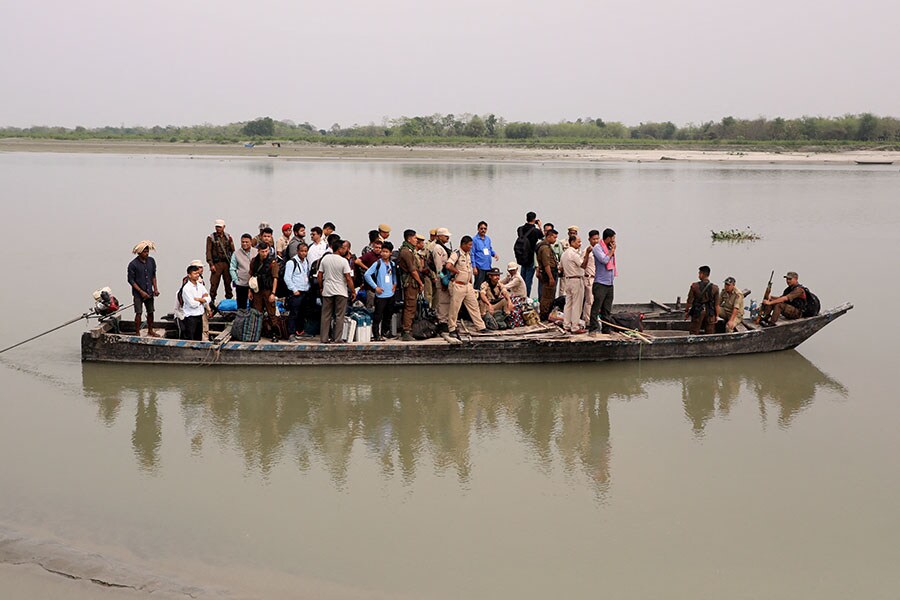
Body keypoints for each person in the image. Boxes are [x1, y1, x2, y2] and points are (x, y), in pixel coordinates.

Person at [445, 235, 488, 336]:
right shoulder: (457, 254)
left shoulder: (468, 255)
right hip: (458, 285)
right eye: (469, 245)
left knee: (474, 306)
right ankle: (452, 328)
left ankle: (480, 326)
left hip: (467, 285)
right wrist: (456, 272)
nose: (471, 247)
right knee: (454, 308)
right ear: (463, 244)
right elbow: (448, 265)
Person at [317, 238, 354, 343]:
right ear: (340, 249)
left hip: (327, 290)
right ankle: (337, 338)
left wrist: (321, 287)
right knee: (339, 316)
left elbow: (320, 275)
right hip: (341, 291)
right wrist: (353, 291)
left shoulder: (325, 259)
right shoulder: (344, 261)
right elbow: (348, 278)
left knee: (325, 315)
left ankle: (324, 338)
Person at [364, 241, 398, 341]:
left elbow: (394, 275)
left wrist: (395, 284)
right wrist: (375, 287)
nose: (384, 254)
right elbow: (367, 275)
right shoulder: (378, 263)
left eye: (386, 252)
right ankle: (376, 334)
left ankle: (385, 332)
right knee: (378, 315)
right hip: (381, 294)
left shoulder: (392, 264)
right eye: (382, 251)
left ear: (390, 253)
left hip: (390, 293)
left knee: (388, 314)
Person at [127, 241, 160, 337]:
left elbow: (153, 276)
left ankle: (150, 330)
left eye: (147, 252)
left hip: (149, 291)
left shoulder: (151, 261)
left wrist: (156, 289)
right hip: (138, 293)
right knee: (138, 312)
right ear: (139, 253)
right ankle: (137, 332)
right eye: (144, 252)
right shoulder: (133, 264)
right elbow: (131, 280)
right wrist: (141, 292)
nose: (146, 253)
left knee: (150, 311)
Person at [397, 229, 425, 342]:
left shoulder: (410, 251)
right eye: (414, 238)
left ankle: (408, 329)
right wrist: (420, 282)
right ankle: (406, 331)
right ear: (409, 238)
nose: (416, 240)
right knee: (410, 307)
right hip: (410, 283)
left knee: (412, 307)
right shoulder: (406, 252)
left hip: (412, 282)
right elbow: (413, 270)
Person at [588, 228, 617, 334]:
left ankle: (606, 328)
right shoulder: (597, 248)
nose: (614, 240)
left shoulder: (609, 248)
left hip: (609, 282)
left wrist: (611, 250)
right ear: (608, 238)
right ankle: (593, 328)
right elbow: (604, 260)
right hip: (600, 283)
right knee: (597, 306)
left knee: (607, 308)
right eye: (613, 238)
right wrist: (612, 251)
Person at [560, 235, 591, 333]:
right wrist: (587, 254)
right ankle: (575, 326)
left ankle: (566, 324)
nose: (580, 244)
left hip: (568, 279)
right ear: (572, 242)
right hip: (576, 279)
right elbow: (583, 265)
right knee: (577, 304)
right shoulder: (573, 254)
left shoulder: (564, 254)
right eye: (578, 242)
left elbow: (560, 268)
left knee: (568, 303)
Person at [249, 242, 280, 338]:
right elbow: (251, 275)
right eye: (263, 251)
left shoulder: (272, 262)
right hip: (257, 290)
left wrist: (273, 293)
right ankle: (259, 332)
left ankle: (275, 333)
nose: (265, 253)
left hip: (268, 290)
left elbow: (275, 278)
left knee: (272, 313)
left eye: (266, 251)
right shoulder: (254, 261)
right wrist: (249, 291)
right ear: (258, 251)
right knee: (257, 312)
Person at [204, 219, 234, 307]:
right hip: (216, 263)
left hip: (226, 263)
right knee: (214, 284)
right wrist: (211, 264)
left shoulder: (228, 237)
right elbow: (208, 252)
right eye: (217, 227)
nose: (218, 228)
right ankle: (211, 302)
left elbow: (233, 251)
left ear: (224, 227)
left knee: (228, 283)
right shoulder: (211, 238)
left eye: (220, 227)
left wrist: (233, 264)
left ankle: (229, 301)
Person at [284, 242, 311, 341]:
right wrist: (294, 289)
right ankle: (291, 333)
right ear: (297, 251)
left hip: (304, 291)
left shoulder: (306, 262)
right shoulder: (292, 262)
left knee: (302, 313)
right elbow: (287, 278)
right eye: (302, 251)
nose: (304, 253)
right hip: (296, 292)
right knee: (294, 313)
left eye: (305, 251)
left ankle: (300, 331)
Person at [178, 265, 211, 341]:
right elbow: (192, 304)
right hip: (190, 317)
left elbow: (208, 298)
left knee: (198, 338)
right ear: (189, 275)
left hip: (199, 315)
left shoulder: (200, 286)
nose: (197, 275)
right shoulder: (186, 288)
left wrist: (200, 299)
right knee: (191, 338)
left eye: (198, 273)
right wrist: (203, 300)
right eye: (195, 273)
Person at [515, 212, 543, 297]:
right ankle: (526, 297)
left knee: (522, 279)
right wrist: (539, 226)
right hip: (531, 257)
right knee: (528, 280)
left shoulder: (520, 229)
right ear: (534, 219)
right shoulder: (535, 231)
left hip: (522, 256)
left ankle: (521, 297)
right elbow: (543, 237)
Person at [685, 265, 720, 335]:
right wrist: (717, 315)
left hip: (698, 311)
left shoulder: (694, 286)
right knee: (710, 333)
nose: (698, 275)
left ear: (702, 274)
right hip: (710, 312)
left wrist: (687, 312)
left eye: (699, 273)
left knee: (694, 332)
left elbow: (689, 301)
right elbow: (716, 304)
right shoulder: (715, 288)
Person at [431, 228, 453, 331]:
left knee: (447, 301)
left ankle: (446, 320)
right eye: (445, 236)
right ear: (439, 236)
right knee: (442, 301)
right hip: (442, 277)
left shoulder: (444, 247)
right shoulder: (437, 248)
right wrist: (442, 278)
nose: (447, 237)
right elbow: (438, 266)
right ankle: (442, 321)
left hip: (447, 277)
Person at [535, 229, 559, 321]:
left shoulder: (546, 246)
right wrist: (551, 277)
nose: (555, 239)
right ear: (548, 236)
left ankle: (546, 314)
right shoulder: (545, 248)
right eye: (554, 237)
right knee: (547, 296)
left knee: (549, 295)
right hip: (549, 273)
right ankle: (544, 315)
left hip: (550, 272)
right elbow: (546, 264)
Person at [229, 233, 257, 310]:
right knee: (241, 307)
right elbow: (232, 268)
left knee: (254, 307)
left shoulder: (256, 252)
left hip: (254, 284)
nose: (244, 244)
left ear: (251, 242)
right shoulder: (236, 253)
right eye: (243, 242)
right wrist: (236, 280)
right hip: (241, 284)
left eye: (246, 242)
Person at [471, 220, 499, 290]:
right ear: (478, 229)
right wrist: (474, 267)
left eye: (485, 229)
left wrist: (494, 254)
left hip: (488, 266)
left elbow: (489, 249)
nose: (483, 230)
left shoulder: (488, 239)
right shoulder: (474, 240)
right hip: (479, 266)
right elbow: (472, 253)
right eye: (481, 228)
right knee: (478, 285)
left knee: (487, 285)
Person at [582, 230, 599, 327]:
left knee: (596, 300)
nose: (596, 241)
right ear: (589, 239)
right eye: (594, 239)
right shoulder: (586, 251)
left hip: (597, 279)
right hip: (589, 278)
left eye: (597, 239)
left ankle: (594, 318)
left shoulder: (599, 250)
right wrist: (588, 254)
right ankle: (587, 320)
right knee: (589, 300)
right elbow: (583, 264)